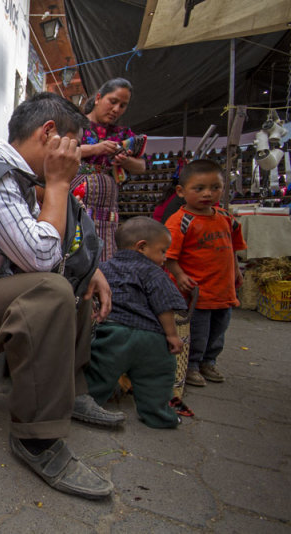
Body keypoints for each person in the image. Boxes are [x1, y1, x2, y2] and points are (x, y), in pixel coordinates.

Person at [0, 92, 124, 501]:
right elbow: (42, 258)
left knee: (75, 277)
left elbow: (47, 244)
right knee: (51, 288)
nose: (77, 155)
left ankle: (72, 389)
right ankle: (37, 439)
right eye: (71, 144)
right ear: (48, 134)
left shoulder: (19, 179)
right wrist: (60, 183)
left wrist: (93, 268)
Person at [84, 217, 187, 428]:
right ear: (142, 247)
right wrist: (172, 336)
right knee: (157, 380)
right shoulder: (154, 272)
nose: (165, 258)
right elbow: (164, 306)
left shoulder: (102, 268)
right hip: (152, 340)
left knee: (98, 373)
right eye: (162, 251)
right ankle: (160, 416)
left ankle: (87, 405)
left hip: (113, 334)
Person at [165, 159, 246, 387]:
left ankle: (209, 361)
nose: (207, 194)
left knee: (219, 329)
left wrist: (237, 270)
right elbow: (169, 256)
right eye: (199, 189)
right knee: (197, 331)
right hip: (196, 292)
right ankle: (191, 365)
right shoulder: (180, 221)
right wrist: (180, 276)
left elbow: (233, 248)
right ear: (181, 191)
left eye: (215, 188)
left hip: (223, 289)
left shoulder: (225, 218)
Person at [73, 78, 146, 261]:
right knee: (75, 247)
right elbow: (58, 150)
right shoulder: (75, 125)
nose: (116, 109)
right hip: (75, 202)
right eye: (112, 102)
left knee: (104, 255)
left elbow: (142, 166)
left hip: (107, 212)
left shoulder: (122, 134)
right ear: (98, 98)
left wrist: (125, 160)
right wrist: (95, 149)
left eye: (122, 105)